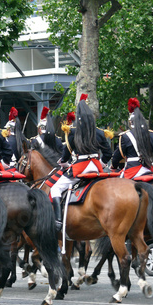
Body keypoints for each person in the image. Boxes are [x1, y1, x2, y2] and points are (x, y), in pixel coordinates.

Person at [50, 94, 113, 231]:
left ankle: (58, 221)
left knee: (55, 188)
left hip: (80, 168)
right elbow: (108, 153)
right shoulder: (100, 133)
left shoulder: (73, 133)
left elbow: (66, 155)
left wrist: (64, 163)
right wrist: (101, 163)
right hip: (96, 167)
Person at [111, 98, 153, 179]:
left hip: (132, 170)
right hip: (149, 169)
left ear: (131, 122)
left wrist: (113, 166)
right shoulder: (152, 135)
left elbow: (116, 157)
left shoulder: (126, 136)